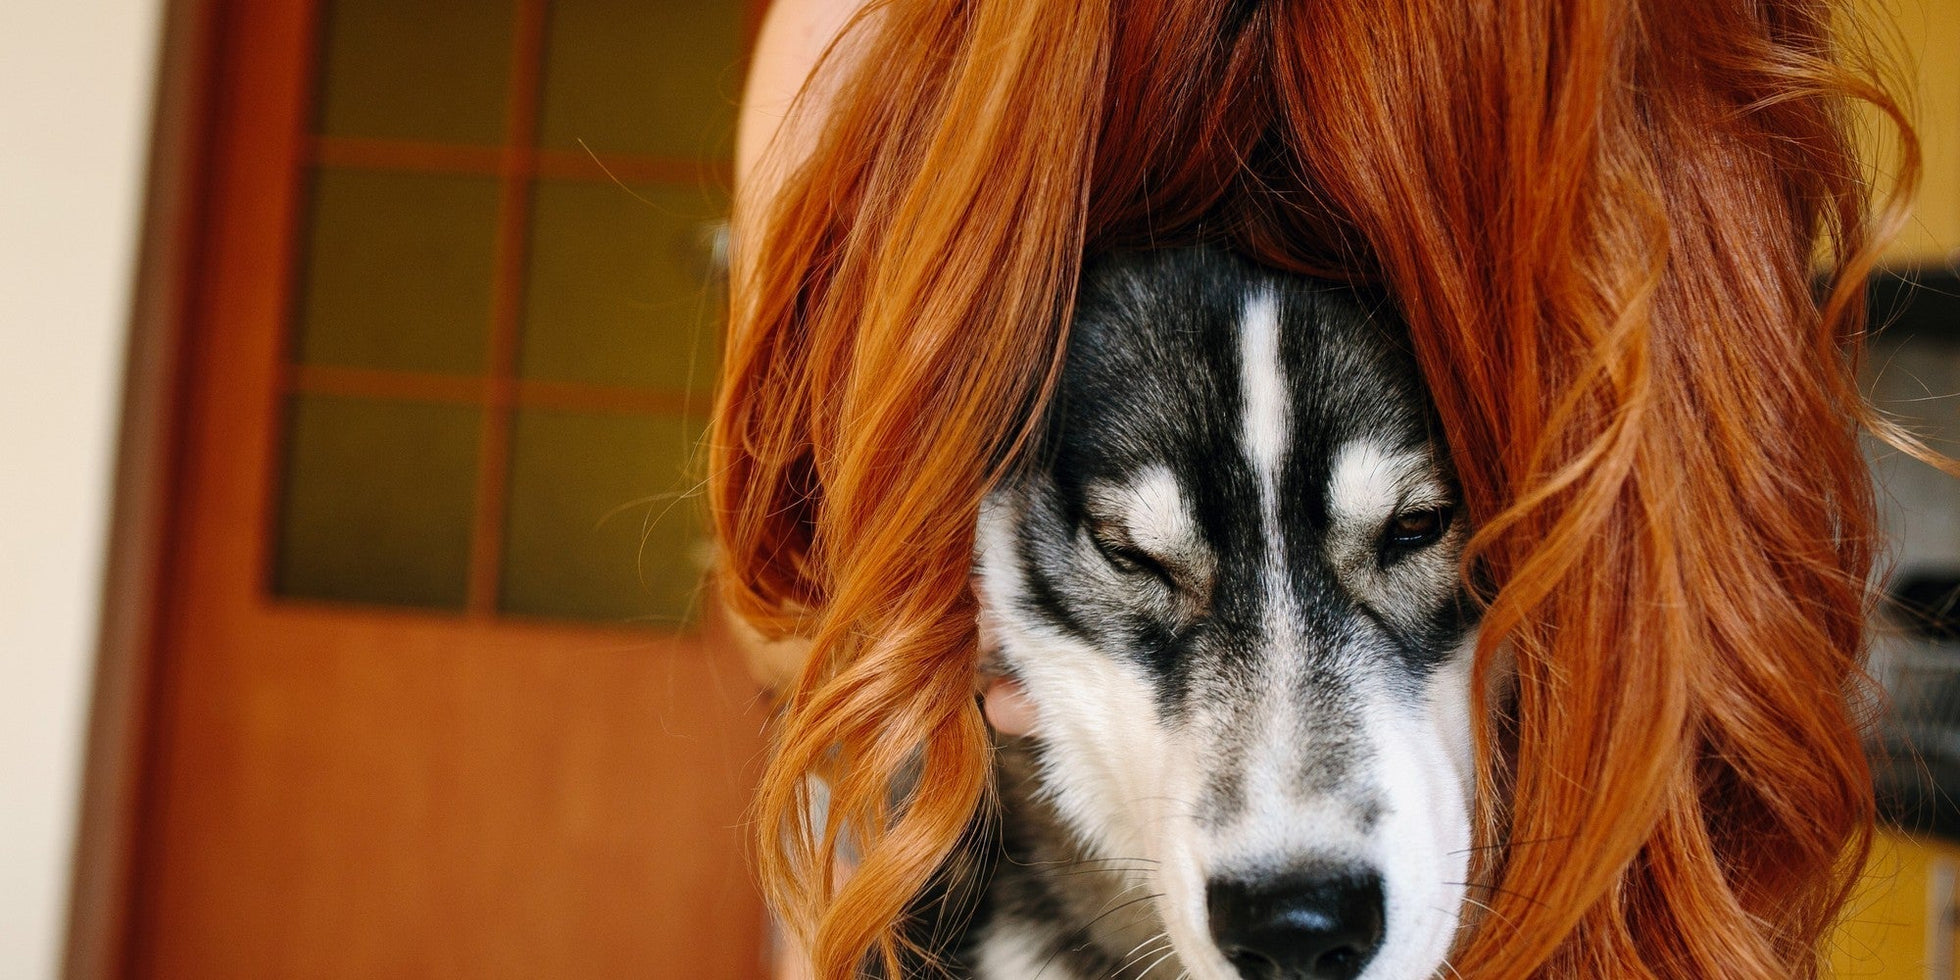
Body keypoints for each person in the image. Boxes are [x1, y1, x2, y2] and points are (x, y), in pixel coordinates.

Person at [713, 0, 1922, 976]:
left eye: (1411, 528)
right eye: (1138, 555)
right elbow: (797, 582)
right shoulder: (862, 39)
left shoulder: (1634, 115)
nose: (1286, 808)